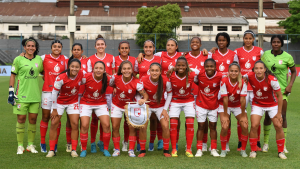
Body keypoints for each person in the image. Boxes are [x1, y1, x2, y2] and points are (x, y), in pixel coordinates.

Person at [261, 35, 297, 153]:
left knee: (283, 116)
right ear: (271, 43)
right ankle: (265, 143)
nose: (276, 44)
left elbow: (293, 71)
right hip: (268, 90)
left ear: (281, 43)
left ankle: (284, 144)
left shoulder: (287, 57)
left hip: (282, 90)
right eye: (274, 42)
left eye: (278, 42)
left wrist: (290, 85)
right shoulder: (265, 55)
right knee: (268, 116)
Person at [244, 60, 286, 159]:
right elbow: (239, 77)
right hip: (257, 104)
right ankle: (253, 151)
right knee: (254, 125)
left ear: (265, 69)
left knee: (278, 125)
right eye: (256, 68)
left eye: (261, 68)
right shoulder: (249, 76)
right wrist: (242, 79)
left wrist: (279, 113)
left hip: (272, 105)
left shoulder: (272, 79)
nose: (258, 70)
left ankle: (281, 152)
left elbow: (280, 96)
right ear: (253, 69)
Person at [8, 37, 43, 154]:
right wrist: (11, 91)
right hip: (21, 95)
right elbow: (13, 75)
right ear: (24, 47)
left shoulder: (39, 59)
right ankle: (20, 146)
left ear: (35, 48)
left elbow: (44, 71)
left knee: (33, 120)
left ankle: (30, 145)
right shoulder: (18, 59)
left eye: (33, 46)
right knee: (21, 119)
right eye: (28, 46)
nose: (30, 48)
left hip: (35, 96)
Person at [46, 59, 86, 157]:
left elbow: (89, 80)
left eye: (77, 67)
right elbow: (54, 93)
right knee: (54, 123)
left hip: (73, 102)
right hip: (59, 103)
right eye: (72, 66)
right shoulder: (61, 77)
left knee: (75, 124)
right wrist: (54, 109)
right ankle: (51, 150)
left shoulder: (82, 74)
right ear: (69, 67)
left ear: (80, 68)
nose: (74, 68)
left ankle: (74, 150)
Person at [109, 60, 148, 157]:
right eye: (124, 69)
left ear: (132, 70)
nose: (126, 71)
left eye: (129, 68)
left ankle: (131, 150)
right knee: (115, 127)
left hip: (131, 105)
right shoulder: (115, 78)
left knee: (132, 128)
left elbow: (145, 95)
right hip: (116, 104)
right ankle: (117, 149)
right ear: (121, 70)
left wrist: (144, 100)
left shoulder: (137, 82)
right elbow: (110, 84)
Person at [233, 30, 264, 151]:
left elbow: (262, 67)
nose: (248, 40)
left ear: (253, 39)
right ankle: (241, 142)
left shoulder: (259, 51)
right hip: (242, 88)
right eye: (246, 38)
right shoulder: (237, 52)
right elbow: (235, 68)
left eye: (250, 38)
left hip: (256, 87)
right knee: (241, 115)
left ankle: (257, 141)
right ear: (243, 39)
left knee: (257, 115)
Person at [209, 32, 238, 151]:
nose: (221, 42)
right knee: (213, 117)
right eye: (219, 40)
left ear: (227, 42)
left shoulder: (233, 54)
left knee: (227, 117)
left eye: (223, 40)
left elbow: (236, 70)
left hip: (228, 88)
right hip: (215, 88)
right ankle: (213, 144)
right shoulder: (212, 53)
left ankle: (225, 144)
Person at [87, 35, 115, 153]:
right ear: (95, 46)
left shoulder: (111, 58)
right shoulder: (90, 59)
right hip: (94, 93)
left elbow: (113, 75)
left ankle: (102, 141)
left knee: (105, 118)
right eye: (98, 44)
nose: (100, 46)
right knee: (94, 119)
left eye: (102, 44)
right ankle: (92, 143)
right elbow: (89, 77)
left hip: (108, 92)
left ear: (105, 46)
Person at [39, 40, 68, 153]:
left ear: (61, 48)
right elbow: (36, 65)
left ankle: (54, 143)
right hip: (47, 92)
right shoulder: (43, 58)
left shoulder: (64, 59)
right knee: (46, 117)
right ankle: (42, 142)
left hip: (59, 93)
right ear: (51, 48)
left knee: (57, 119)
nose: (57, 48)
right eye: (55, 46)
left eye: (59, 47)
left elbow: (71, 68)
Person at [134, 40, 163, 151]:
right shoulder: (139, 59)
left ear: (154, 48)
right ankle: (138, 143)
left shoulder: (159, 59)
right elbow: (134, 73)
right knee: (140, 118)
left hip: (155, 91)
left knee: (155, 118)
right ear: (143, 48)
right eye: (146, 47)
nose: (148, 49)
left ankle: (153, 142)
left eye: (150, 47)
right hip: (141, 92)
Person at [79, 61, 111, 157]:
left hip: (101, 103)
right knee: (84, 125)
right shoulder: (86, 77)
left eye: (101, 68)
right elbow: (76, 82)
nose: (98, 70)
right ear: (93, 69)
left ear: (104, 70)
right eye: (96, 68)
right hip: (86, 103)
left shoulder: (108, 79)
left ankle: (105, 149)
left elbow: (118, 83)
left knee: (106, 125)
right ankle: (83, 149)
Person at [139, 62, 172, 157]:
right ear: (149, 71)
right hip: (147, 106)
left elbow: (169, 94)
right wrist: (140, 100)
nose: (154, 72)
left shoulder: (166, 81)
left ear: (160, 72)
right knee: (143, 126)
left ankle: (166, 150)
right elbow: (138, 92)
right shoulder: (143, 79)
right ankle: (142, 150)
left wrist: (165, 109)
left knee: (165, 126)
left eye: (156, 70)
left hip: (160, 106)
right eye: (152, 70)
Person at [168, 57, 197, 157]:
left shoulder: (192, 74)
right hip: (175, 101)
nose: (181, 67)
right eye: (178, 65)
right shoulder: (171, 75)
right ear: (175, 66)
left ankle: (188, 149)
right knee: (173, 123)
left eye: (183, 65)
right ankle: (174, 149)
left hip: (188, 100)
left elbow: (201, 75)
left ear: (186, 66)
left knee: (190, 122)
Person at [185, 37, 210, 152]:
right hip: (188, 93)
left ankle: (204, 142)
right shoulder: (185, 56)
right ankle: (188, 143)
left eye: (197, 42)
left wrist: (210, 50)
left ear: (200, 44)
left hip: (202, 93)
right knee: (189, 119)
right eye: (192, 42)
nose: (194, 44)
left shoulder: (206, 56)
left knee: (203, 120)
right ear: (190, 44)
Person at [218, 62, 249, 157]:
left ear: (239, 72)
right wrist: (226, 115)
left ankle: (243, 150)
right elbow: (225, 99)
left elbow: (243, 100)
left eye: (236, 71)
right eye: (231, 71)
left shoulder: (243, 82)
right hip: (224, 105)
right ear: (228, 71)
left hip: (237, 105)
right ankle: (223, 150)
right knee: (225, 126)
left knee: (244, 125)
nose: (233, 73)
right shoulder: (224, 80)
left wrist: (243, 115)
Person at [194, 58, 223, 157]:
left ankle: (213, 149)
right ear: (204, 67)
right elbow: (189, 72)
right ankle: (199, 149)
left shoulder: (220, 76)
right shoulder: (199, 75)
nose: (209, 68)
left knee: (213, 127)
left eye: (211, 66)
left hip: (214, 105)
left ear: (215, 67)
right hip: (201, 104)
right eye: (207, 66)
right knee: (201, 126)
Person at [63, 43, 88, 152]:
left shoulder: (87, 61)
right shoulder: (67, 62)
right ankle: (69, 143)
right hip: (71, 94)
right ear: (72, 51)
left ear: (82, 51)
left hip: (83, 94)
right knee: (70, 120)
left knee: (82, 120)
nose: (76, 51)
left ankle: (81, 142)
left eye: (78, 49)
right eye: (74, 49)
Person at [114, 41, 136, 151]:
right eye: (122, 48)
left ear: (129, 49)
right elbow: (113, 76)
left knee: (128, 123)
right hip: (116, 94)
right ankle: (111, 145)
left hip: (130, 95)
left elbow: (136, 74)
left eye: (126, 48)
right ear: (119, 49)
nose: (124, 50)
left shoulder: (134, 60)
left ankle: (126, 142)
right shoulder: (114, 59)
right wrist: (114, 86)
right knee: (114, 124)